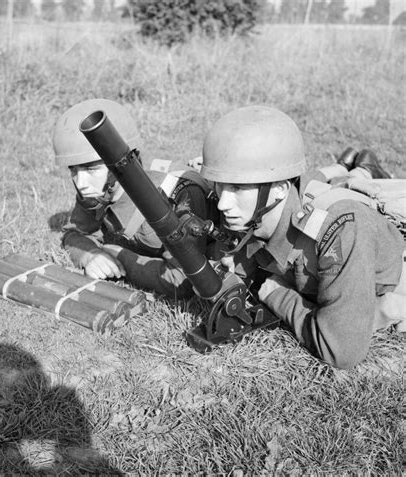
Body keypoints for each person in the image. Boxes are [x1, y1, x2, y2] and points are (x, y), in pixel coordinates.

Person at [195, 105, 405, 369]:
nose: (224, 203)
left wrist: (277, 294)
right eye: (221, 186)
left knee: (349, 196)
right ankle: (359, 171)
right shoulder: (263, 206)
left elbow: (341, 351)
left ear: (281, 189)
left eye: (237, 187)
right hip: (330, 209)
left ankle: (363, 173)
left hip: (390, 276)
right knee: (332, 186)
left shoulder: (341, 230)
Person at [53, 98, 215, 298]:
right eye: (73, 171)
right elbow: (74, 234)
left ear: (121, 163)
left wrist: (115, 254)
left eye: (91, 169)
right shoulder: (97, 192)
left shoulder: (179, 195)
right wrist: (91, 256)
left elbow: (181, 280)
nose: (81, 182)